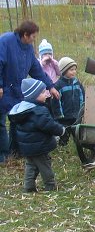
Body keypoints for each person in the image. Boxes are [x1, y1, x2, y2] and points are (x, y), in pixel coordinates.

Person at [0, 20, 60, 163]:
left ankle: (16, 150)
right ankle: (3, 154)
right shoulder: (5, 42)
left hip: (17, 89)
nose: (34, 39)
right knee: (1, 122)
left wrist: (50, 86)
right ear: (25, 35)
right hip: (4, 88)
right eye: (33, 36)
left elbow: (36, 70)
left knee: (17, 119)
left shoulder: (27, 48)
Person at [8, 78, 65, 192]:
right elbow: (49, 125)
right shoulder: (38, 111)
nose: (46, 94)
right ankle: (50, 185)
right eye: (43, 92)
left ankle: (28, 186)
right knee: (45, 165)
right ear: (34, 95)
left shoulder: (21, 109)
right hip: (39, 146)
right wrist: (61, 130)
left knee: (31, 165)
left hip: (26, 146)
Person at [51, 57, 85, 145]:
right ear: (64, 71)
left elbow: (82, 96)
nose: (74, 72)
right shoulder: (59, 85)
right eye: (71, 70)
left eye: (75, 69)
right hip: (64, 117)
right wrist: (59, 114)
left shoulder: (77, 83)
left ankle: (78, 145)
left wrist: (82, 109)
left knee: (77, 132)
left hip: (76, 114)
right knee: (64, 133)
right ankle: (63, 145)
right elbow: (56, 102)